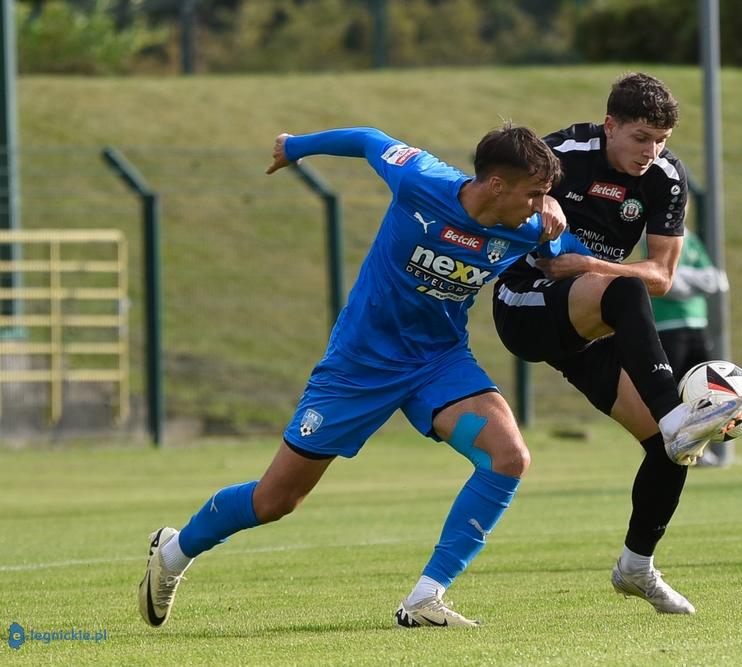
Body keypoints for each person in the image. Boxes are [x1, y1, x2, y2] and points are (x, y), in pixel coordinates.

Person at [138, 122, 592, 630]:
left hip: (438, 364)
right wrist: (294, 148)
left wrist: (562, 217)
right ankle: (174, 552)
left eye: (544, 197)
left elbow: (571, 260)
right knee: (276, 500)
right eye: (534, 194)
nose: (539, 206)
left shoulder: (533, 226)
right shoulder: (421, 178)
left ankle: (426, 597)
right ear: (496, 185)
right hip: (360, 366)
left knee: (508, 457)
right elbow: (367, 139)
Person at [492, 73, 742, 615]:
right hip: (526, 303)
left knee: (667, 448)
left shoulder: (666, 177)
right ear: (610, 126)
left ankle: (637, 566)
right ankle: (675, 414)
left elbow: (661, 275)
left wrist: (589, 264)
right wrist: (536, 210)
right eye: (639, 138)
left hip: (594, 316)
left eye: (661, 140)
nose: (650, 152)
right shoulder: (559, 154)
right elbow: (493, 197)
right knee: (627, 296)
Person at [650, 221, 731, 467]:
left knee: (702, 390)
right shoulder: (653, 235)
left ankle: (700, 449)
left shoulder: (692, 239)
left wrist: (677, 275)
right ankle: (662, 448)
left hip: (697, 323)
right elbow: (666, 283)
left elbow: (717, 280)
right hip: (667, 325)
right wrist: (687, 281)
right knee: (671, 392)